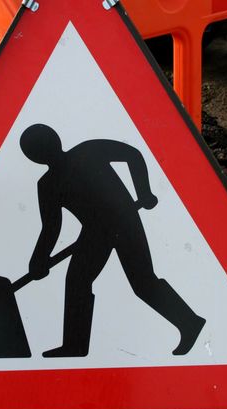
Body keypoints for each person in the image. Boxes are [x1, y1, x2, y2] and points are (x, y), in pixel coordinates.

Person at [21, 123, 206, 358]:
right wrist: (38, 259)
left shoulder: (87, 152)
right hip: (95, 231)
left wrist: (143, 192)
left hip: (123, 219)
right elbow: (51, 226)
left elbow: (132, 155)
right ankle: (75, 345)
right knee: (77, 282)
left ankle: (189, 322)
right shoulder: (48, 184)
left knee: (143, 282)